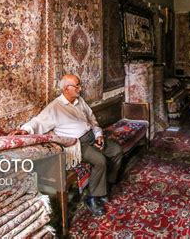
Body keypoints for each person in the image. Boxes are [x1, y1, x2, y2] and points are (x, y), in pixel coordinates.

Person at [11, 74, 123, 216]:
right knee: (100, 161)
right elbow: (38, 122)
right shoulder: (55, 107)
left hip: (92, 136)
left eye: (79, 85)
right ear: (66, 88)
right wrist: (24, 130)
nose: (80, 89)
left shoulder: (79, 101)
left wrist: (98, 135)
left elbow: (92, 120)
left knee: (117, 151)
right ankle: (92, 198)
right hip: (77, 144)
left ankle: (105, 186)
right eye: (77, 86)